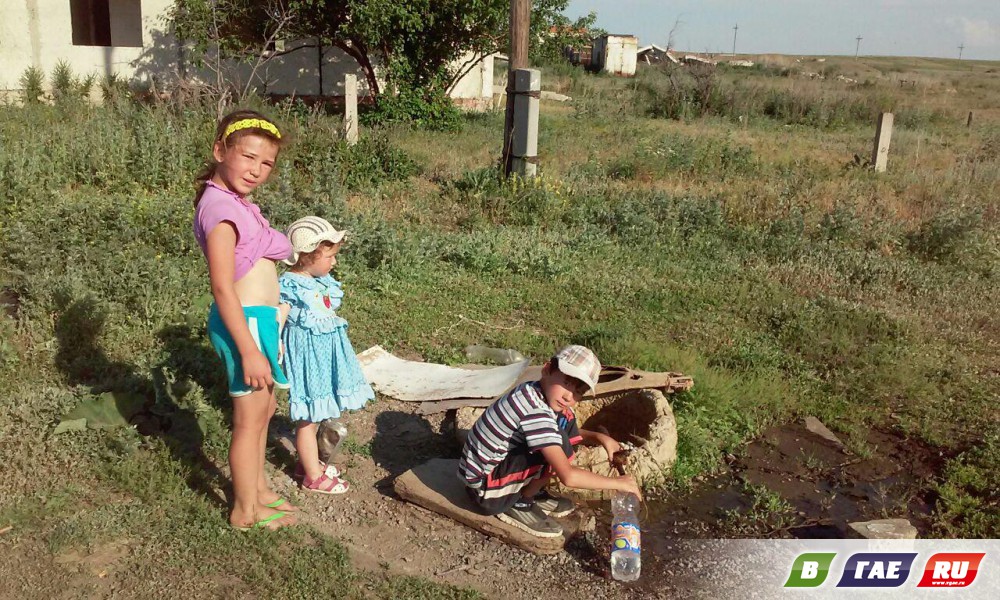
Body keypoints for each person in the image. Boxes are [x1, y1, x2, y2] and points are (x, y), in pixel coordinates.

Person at [193, 109, 297, 530]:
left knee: (265, 407)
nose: (256, 170)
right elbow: (222, 288)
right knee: (248, 420)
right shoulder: (220, 211)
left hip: (259, 321)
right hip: (245, 324)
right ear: (220, 150)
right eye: (248, 157)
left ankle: (259, 490)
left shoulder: (236, 201)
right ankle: (244, 510)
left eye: (267, 162)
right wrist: (251, 350)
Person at [458, 345, 642, 538]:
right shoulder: (535, 411)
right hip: (485, 492)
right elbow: (568, 477)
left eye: (578, 392)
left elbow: (564, 433)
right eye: (567, 383)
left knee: (566, 421)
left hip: (486, 473)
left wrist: (600, 437)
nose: (568, 396)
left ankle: (530, 489)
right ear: (547, 369)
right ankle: (522, 501)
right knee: (559, 445)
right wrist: (618, 483)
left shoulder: (534, 390)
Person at [279, 216, 375, 494]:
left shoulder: (319, 280)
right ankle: (312, 476)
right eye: (329, 256)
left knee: (318, 412)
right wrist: (276, 346)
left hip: (324, 357)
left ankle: (307, 464)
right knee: (308, 417)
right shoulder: (290, 284)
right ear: (307, 256)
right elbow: (279, 317)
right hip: (308, 358)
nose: (334, 262)